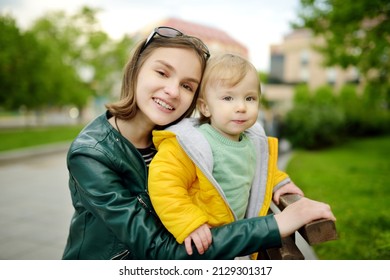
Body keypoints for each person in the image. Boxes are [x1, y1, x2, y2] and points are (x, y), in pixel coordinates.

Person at [62, 26, 335, 260]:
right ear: (135, 70)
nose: (172, 91)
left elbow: (239, 158)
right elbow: (159, 251)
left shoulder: (186, 136)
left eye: (187, 86)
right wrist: (276, 225)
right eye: (162, 73)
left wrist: (277, 181)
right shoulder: (91, 155)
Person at [148, 53, 304, 257]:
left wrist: (280, 183)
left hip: (235, 239)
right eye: (228, 98)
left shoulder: (251, 141)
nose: (241, 107)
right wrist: (189, 223)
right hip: (201, 242)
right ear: (205, 107)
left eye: (250, 98)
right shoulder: (191, 144)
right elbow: (164, 184)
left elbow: (261, 170)